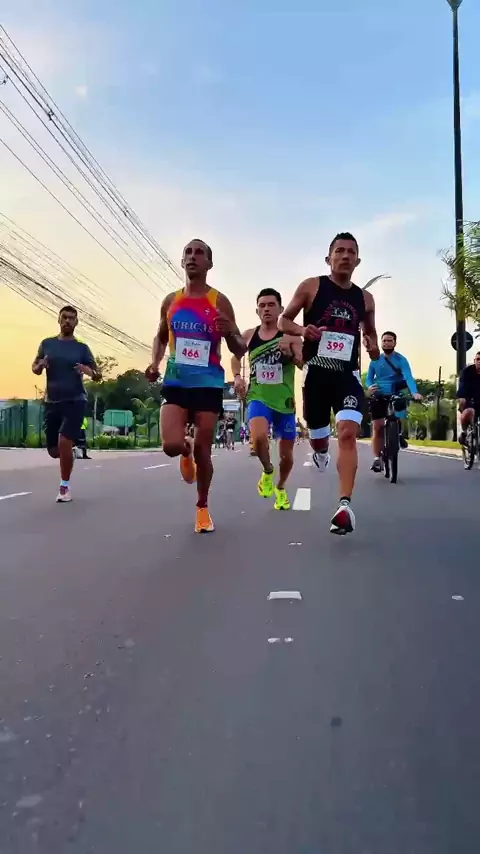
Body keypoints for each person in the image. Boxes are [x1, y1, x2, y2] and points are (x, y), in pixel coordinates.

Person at [278, 232, 380, 534]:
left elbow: (370, 331)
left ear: (358, 260)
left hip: (347, 374)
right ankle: (320, 451)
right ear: (329, 258)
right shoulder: (312, 286)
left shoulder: (365, 298)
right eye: (339, 251)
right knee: (319, 437)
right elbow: (283, 321)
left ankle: (344, 505)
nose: (345, 256)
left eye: (351, 252)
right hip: (316, 373)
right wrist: (302, 330)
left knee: (347, 433)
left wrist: (372, 345)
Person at [145, 239, 246, 533]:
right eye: (188, 252)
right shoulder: (171, 301)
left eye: (199, 253)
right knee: (170, 446)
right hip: (176, 381)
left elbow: (240, 347)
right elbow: (160, 337)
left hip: (208, 384)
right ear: (182, 261)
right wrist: (154, 363)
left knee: (204, 451)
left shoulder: (219, 301)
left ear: (209, 264)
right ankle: (184, 449)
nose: (192, 257)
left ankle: (202, 507)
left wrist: (230, 332)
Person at [232, 288, 302, 510]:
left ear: (281, 309)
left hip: (285, 401)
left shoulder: (290, 336)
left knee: (287, 457)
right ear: (257, 311)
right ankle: (268, 471)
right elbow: (235, 358)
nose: (266, 309)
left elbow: (303, 362)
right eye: (262, 305)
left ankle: (280, 487)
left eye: (271, 305)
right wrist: (237, 377)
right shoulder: (249, 335)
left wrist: (290, 354)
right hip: (258, 396)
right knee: (259, 437)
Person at [32, 305, 100, 502]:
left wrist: (87, 370)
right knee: (55, 451)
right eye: (65, 317)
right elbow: (35, 367)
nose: (68, 321)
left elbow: (97, 374)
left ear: (76, 322)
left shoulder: (82, 348)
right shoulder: (47, 344)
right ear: (59, 320)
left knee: (64, 441)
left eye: (71, 318)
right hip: (52, 401)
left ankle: (64, 487)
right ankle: (70, 454)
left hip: (75, 400)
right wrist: (40, 365)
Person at [366, 331, 423, 472]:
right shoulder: (375, 360)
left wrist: (414, 392)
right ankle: (377, 459)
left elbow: (408, 377)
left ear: (395, 343)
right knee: (378, 427)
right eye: (384, 340)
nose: (386, 343)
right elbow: (369, 378)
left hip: (396, 392)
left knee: (400, 409)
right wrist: (370, 386)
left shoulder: (401, 360)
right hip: (379, 393)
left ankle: (398, 433)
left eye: (389, 340)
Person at [457, 351, 480, 444]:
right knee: (468, 412)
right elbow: (462, 386)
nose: (479, 362)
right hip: (470, 400)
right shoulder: (467, 372)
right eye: (478, 359)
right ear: (474, 361)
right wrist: (462, 397)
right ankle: (465, 433)